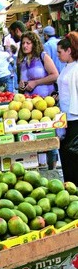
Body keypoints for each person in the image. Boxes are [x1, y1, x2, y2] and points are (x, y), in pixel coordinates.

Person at [17, 31, 59, 170]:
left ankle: (52, 166)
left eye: (28, 43)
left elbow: (54, 75)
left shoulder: (43, 57)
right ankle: (34, 164)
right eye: (23, 43)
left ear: (34, 44)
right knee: (33, 134)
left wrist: (36, 83)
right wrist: (22, 85)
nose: (25, 46)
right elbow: (22, 81)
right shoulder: (22, 62)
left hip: (45, 103)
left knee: (48, 133)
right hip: (29, 105)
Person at [56, 32, 78, 184]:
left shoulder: (76, 68)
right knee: (66, 152)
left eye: (59, 52)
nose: (57, 54)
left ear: (69, 50)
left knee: (71, 153)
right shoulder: (67, 67)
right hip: (66, 117)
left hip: (75, 117)